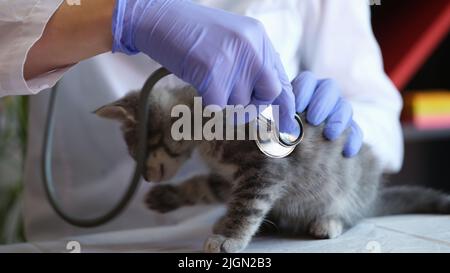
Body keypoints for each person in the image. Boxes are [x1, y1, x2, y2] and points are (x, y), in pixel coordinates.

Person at [0, 0, 403, 242]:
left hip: (263, 241)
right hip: (87, 239)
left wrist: (339, 128)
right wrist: (121, 16)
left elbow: (374, 104)